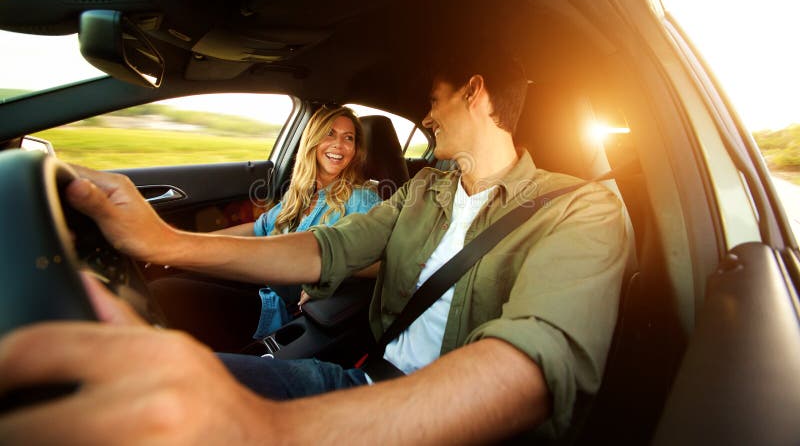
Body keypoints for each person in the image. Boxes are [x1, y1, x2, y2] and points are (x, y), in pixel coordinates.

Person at [0, 46, 632, 443]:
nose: (428, 116)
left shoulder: (582, 209)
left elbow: (532, 369)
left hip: (451, 429)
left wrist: (271, 430)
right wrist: (166, 241)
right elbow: (324, 249)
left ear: (475, 91)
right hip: (359, 383)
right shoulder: (423, 192)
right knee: (127, 401)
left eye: (434, 101)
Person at [149, 105, 382, 350]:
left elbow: (384, 258)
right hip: (258, 281)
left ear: (355, 150)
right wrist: (185, 243)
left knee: (165, 294)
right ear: (312, 141)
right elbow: (256, 229)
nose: (339, 145)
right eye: (330, 134)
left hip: (281, 308)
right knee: (175, 275)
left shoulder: (363, 199)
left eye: (349, 138)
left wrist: (332, 273)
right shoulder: (300, 193)